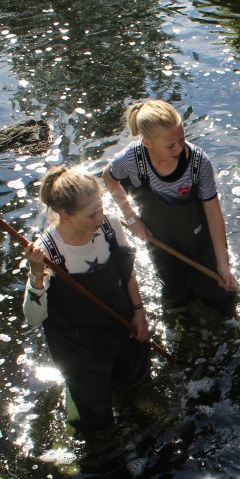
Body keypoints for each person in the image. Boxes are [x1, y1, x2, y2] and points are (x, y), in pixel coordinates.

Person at [23, 166, 151, 430]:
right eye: (91, 214)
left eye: (101, 208)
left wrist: (139, 313)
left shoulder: (109, 226)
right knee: (96, 422)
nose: (100, 217)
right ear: (66, 216)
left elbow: (127, 274)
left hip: (119, 326)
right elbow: (34, 318)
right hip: (78, 346)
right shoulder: (48, 251)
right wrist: (36, 274)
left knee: (136, 388)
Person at [102, 100, 237, 310]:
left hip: (199, 241)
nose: (179, 148)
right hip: (161, 242)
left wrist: (223, 264)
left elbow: (213, 212)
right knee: (176, 298)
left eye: (182, 139)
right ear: (147, 143)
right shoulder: (131, 159)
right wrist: (131, 218)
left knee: (219, 297)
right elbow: (108, 177)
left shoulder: (199, 162)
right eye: (170, 145)